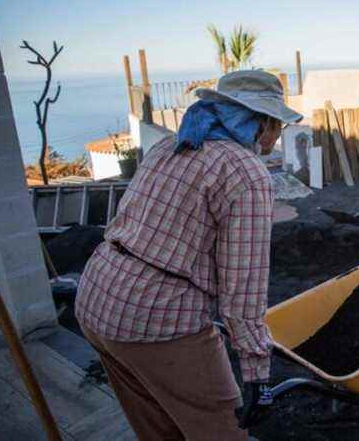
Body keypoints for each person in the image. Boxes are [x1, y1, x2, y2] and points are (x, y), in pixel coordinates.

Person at [75, 70, 302, 440]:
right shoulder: (247, 174)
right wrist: (257, 376)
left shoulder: (171, 144)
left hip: (96, 296)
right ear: (261, 123)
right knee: (223, 430)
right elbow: (242, 294)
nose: (278, 136)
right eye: (277, 125)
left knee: (160, 430)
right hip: (154, 316)